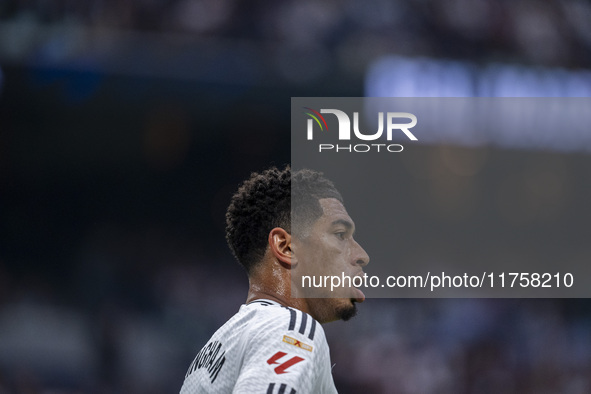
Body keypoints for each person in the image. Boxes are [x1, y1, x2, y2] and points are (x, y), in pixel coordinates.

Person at [180, 166, 369, 393]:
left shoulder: (215, 348)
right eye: (340, 235)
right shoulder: (289, 327)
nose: (361, 255)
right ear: (286, 247)